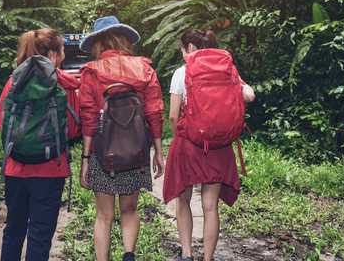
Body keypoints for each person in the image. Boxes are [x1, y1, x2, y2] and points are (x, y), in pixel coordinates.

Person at [163, 29, 255, 261]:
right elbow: (249, 96)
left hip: (189, 144)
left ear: (190, 49)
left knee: (183, 199)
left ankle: (186, 254)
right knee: (210, 205)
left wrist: (180, 137)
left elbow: (173, 116)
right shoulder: (228, 71)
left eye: (183, 50)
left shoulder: (181, 73)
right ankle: (208, 257)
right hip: (219, 145)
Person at [78, 16, 165, 261]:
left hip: (103, 153)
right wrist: (157, 151)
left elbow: (89, 118)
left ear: (98, 44)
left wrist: (86, 158)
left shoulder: (91, 72)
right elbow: (154, 111)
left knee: (103, 216)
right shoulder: (144, 68)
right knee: (129, 210)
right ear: (124, 40)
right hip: (136, 150)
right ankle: (128, 254)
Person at [0, 28, 80, 261]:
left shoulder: (14, 81)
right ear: (52, 54)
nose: (62, 56)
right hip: (51, 169)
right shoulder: (65, 85)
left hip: (15, 168)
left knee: (13, 230)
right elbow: (72, 129)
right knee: (40, 235)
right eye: (61, 51)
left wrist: (24, 134)